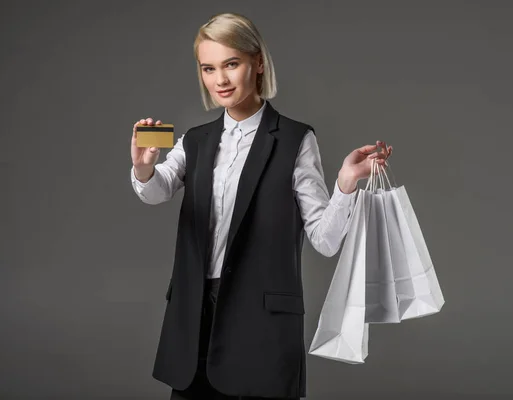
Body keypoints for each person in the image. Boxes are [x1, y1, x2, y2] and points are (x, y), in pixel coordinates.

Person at [130, 12, 392, 400]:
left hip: (261, 324)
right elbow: (156, 190)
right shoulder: (195, 140)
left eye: (231, 64)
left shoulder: (294, 139)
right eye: (208, 68)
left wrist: (346, 184)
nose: (220, 79)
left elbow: (325, 239)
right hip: (194, 318)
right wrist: (142, 166)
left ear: (258, 63)